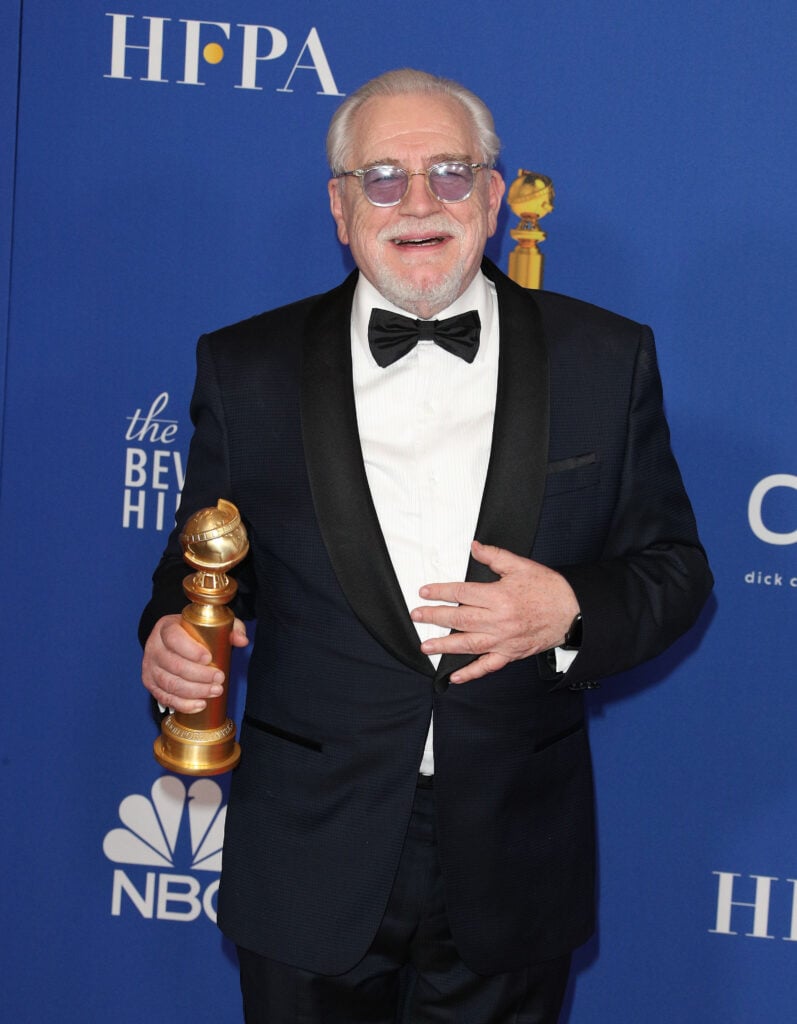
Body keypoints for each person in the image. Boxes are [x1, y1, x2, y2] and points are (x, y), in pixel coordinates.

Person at [140, 69, 712, 1023]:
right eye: (383, 177)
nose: (417, 202)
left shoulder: (605, 359)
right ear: (339, 206)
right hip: (310, 850)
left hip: (515, 851)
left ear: (492, 199)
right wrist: (170, 636)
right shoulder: (244, 369)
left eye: (450, 173)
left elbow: (674, 570)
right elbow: (199, 566)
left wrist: (569, 609)